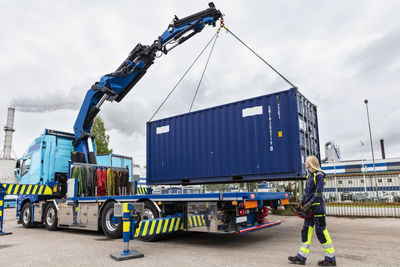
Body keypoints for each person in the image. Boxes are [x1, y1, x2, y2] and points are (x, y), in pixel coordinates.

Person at [288, 156, 336, 266]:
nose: (305, 163)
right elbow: (307, 192)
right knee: (306, 231)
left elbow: (319, 193)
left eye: (306, 161)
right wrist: (302, 201)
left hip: (317, 208)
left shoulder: (319, 175)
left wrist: (309, 203)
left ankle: (330, 259)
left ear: (310, 163)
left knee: (321, 232)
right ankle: (301, 257)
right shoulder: (310, 176)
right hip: (309, 209)